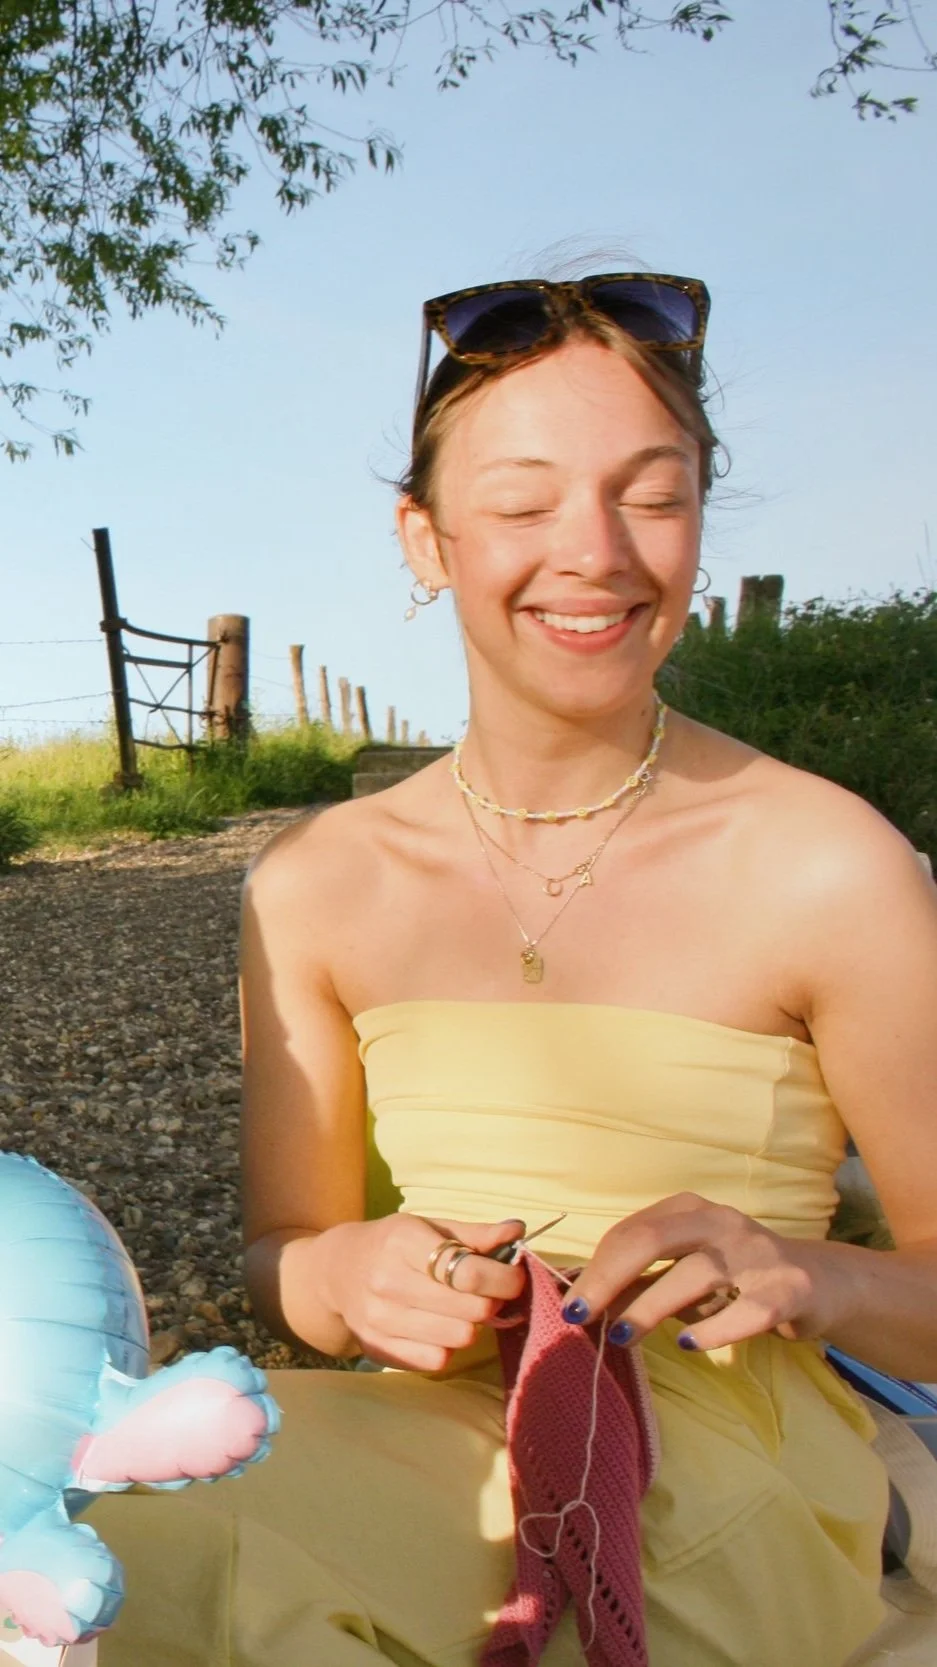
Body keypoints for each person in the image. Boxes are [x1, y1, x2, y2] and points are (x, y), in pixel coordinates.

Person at [92, 271, 937, 1667]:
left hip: (734, 1465)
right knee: (82, 1522)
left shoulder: (829, 864)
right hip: (434, 1429)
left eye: (652, 495)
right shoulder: (316, 883)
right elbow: (281, 1258)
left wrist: (810, 1275)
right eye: (525, 504)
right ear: (424, 540)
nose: (594, 552)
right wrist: (351, 1271)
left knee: (165, 1568)